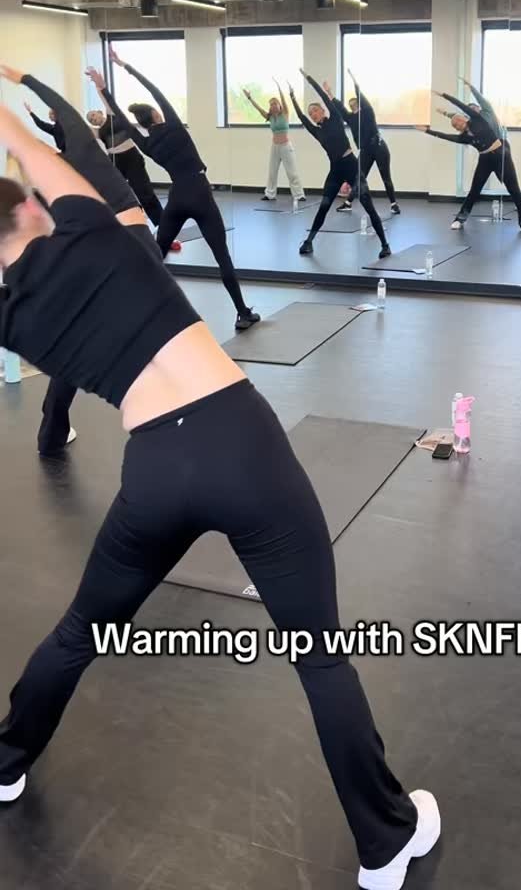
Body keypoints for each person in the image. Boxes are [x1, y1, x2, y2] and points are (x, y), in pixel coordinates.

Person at [0, 105, 440, 890]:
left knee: (79, 631)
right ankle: (385, 842)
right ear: (31, 208)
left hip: (153, 469)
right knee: (318, 655)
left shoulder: (10, 317)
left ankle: (5, 761)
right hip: (240, 443)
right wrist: (10, 119)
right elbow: (45, 152)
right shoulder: (95, 230)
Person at [1, 64, 161, 457]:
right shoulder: (84, 149)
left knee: (82, 337)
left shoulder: (51, 185)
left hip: (98, 254)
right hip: (136, 246)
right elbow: (63, 107)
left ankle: (52, 428)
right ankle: (166, 416)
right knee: (158, 333)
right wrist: (24, 78)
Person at [108, 45, 259, 332]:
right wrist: (125, 66)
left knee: (157, 254)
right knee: (222, 257)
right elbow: (153, 89)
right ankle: (243, 313)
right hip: (200, 192)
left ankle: (129, 306)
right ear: (156, 114)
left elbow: (121, 119)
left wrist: (103, 89)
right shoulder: (175, 125)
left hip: (177, 196)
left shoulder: (147, 144)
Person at [289, 70, 391, 258]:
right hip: (335, 170)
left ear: (322, 110)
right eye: (311, 114)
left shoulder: (335, 117)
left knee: (368, 206)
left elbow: (324, 96)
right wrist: (293, 98)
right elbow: (301, 118)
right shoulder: (316, 131)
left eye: (315, 111)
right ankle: (309, 242)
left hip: (351, 166)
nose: (312, 115)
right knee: (324, 206)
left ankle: (385, 245)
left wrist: (309, 79)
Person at [84, 74, 176, 248]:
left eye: (94, 115)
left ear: (99, 112)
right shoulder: (98, 132)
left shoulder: (112, 116)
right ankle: (122, 227)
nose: (94, 119)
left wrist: (98, 86)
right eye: (91, 120)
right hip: (115, 162)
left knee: (145, 192)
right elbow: (79, 128)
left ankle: (164, 229)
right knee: (115, 194)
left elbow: (107, 100)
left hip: (131, 157)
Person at [418, 89, 521, 232]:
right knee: (474, 190)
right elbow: (446, 136)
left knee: (513, 189)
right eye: (454, 125)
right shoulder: (464, 137)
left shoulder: (477, 119)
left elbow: (459, 105)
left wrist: (444, 95)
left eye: (458, 121)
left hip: (501, 155)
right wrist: (427, 130)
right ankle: (459, 219)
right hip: (485, 160)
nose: (457, 124)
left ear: (465, 118)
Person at [325, 70, 400, 215]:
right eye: (350, 104)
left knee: (386, 177)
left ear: (359, 104)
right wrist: (329, 93)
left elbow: (362, 98)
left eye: (355, 103)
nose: (352, 105)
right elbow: (339, 107)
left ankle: (394, 204)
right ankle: (348, 203)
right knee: (358, 176)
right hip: (366, 150)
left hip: (379, 147)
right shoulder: (350, 118)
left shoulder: (368, 112)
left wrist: (355, 83)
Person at [242, 80, 305, 204]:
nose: (273, 106)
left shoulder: (285, 113)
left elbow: (284, 100)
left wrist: (279, 87)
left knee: (292, 172)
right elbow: (258, 108)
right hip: (275, 147)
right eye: (271, 104)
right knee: (272, 172)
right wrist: (249, 98)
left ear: (279, 105)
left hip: (286, 147)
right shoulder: (269, 117)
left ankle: (299, 195)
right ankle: (270, 194)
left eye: (275, 103)